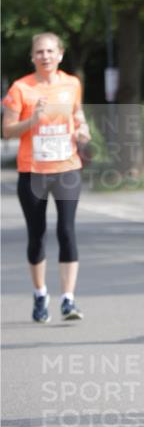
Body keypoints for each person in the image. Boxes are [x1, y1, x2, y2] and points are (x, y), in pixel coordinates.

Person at [2, 32, 90, 323]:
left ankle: (68, 299)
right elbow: (7, 130)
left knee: (67, 230)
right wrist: (32, 120)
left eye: (50, 51)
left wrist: (82, 130)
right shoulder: (20, 88)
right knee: (37, 235)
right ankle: (40, 294)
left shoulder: (71, 84)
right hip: (33, 172)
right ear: (33, 57)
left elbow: (78, 115)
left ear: (60, 55)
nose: (45, 56)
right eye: (40, 52)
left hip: (66, 168)